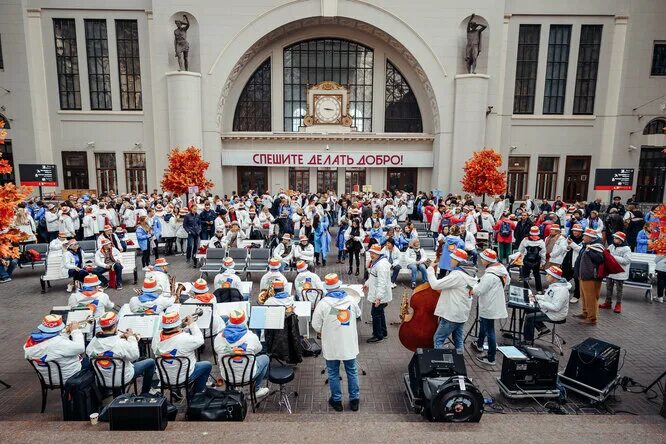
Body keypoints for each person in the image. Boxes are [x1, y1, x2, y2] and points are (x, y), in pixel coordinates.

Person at [311, 274, 361, 412]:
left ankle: (337, 400)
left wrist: (325, 329)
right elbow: (357, 314)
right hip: (348, 343)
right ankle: (354, 400)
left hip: (332, 344)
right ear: (339, 286)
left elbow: (315, 325)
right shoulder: (351, 300)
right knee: (352, 371)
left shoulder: (323, 304)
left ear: (327, 287)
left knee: (333, 372)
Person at [86, 312, 155, 394]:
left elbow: (102, 345)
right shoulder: (121, 344)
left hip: (103, 379)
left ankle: (114, 393)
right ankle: (145, 392)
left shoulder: (93, 342)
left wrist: (120, 337)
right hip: (123, 378)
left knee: (120, 360)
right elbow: (135, 355)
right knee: (151, 362)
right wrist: (131, 337)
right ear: (115, 325)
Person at [427, 249, 478, 351]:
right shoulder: (472, 274)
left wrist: (430, 270)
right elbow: (467, 288)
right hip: (462, 314)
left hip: (451, 314)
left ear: (457, 260)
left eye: (452, 258)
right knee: (458, 340)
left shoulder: (457, 275)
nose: (450, 260)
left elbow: (435, 285)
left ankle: (440, 365)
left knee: (438, 339)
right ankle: (460, 363)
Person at [214, 309, 270, 400]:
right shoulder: (252, 337)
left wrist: (232, 351)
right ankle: (256, 389)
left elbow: (217, 351)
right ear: (244, 321)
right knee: (265, 358)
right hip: (248, 375)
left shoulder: (218, 338)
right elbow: (258, 350)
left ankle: (232, 389)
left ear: (229, 321)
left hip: (227, 376)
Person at [152, 311, 212, 395]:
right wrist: (192, 324)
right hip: (182, 378)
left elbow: (172, 335)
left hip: (164, 378)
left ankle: (176, 390)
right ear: (176, 326)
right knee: (207, 365)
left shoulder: (156, 336)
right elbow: (200, 340)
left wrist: (182, 326)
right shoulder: (184, 339)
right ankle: (196, 395)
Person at [24, 314, 86, 384]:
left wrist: (66, 333)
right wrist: (75, 331)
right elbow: (80, 348)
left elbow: (52, 344)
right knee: (90, 362)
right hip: (67, 377)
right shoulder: (59, 344)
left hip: (47, 378)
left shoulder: (31, 341)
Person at [470, 249, 508, 365]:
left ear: (487, 260)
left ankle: (491, 357)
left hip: (489, 305)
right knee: (485, 325)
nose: (481, 260)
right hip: (493, 303)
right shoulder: (502, 270)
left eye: (483, 258)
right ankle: (480, 344)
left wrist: (469, 285)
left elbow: (477, 291)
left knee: (490, 330)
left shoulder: (490, 275)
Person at [523, 266, 570, 342]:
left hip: (556, 314)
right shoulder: (555, 286)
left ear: (554, 277)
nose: (546, 276)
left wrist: (540, 303)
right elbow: (547, 297)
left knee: (529, 318)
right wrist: (536, 297)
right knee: (528, 308)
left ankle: (528, 341)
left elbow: (556, 307)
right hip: (549, 310)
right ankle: (543, 329)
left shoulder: (561, 290)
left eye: (548, 275)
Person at [573, 228, 605, 325]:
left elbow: (599, 259)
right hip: (584, 275)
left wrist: (589, 251)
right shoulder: (587, 245)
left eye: (585, 236)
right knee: (584, 296)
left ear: (590, 238)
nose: (583, 237)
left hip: (591, 277)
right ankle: (585, 313)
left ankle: (592, 319)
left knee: (591, 298)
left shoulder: (596, 247)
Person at [364, 244, 392, 343]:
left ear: (378, 254)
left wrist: (378, 297)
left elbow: (382, 282)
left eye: (374, 253)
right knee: (380, 313)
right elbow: (373, 276)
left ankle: (378, 335)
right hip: (378, 294)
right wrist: (367, 284)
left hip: (380, 295)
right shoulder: (377, 262)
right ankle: (383, 332)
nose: (371, 255)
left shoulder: (381, 265)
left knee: (375, 314)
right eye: (371, 253)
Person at [600, 232, 632, 314]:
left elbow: (626, 261)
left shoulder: (626, 249)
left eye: (616, 238)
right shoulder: (611, 246)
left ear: (621, 240)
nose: (614, 239)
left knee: (619, 289)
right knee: (608, 287)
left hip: (620, 272)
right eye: (614, 238)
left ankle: (618, 304)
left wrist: (613, 257)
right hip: (610, 271)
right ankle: (608, 302)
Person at [518, 226, 546, 294]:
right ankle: (539, 290)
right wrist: (543, 262)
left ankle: (526, 290)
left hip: (526, 260)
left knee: (526, 275)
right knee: (537, 275)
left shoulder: (525, 240)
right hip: (536, 261)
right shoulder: (541, 242)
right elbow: (543, 253)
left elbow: (520, 250)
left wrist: (522, 258)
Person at [565, 224, 584, 304]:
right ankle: (562, 294)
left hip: (577, 263)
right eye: (574, 231)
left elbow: (581, 251)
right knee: (564, 279)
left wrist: (572, 244)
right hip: (568, 261)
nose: (575, 232)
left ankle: (576, 296)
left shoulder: (583, 239)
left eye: (577, 231)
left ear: (580, 232)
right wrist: (567, 247)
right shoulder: (569, 237)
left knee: (577, 281)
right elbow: (566, 247)